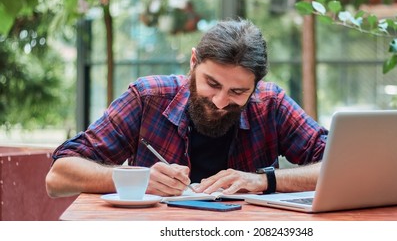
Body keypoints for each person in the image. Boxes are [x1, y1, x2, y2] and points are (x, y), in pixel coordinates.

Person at [45, 18, 328, 198]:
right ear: (193, 62)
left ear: (255, 87)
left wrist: (265, 181)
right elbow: (58, 176)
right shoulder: (148, 97)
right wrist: (137, 179)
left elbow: (339, 165)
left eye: (238, 91)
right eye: (212, 84)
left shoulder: (271, 104)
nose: (219, 101)